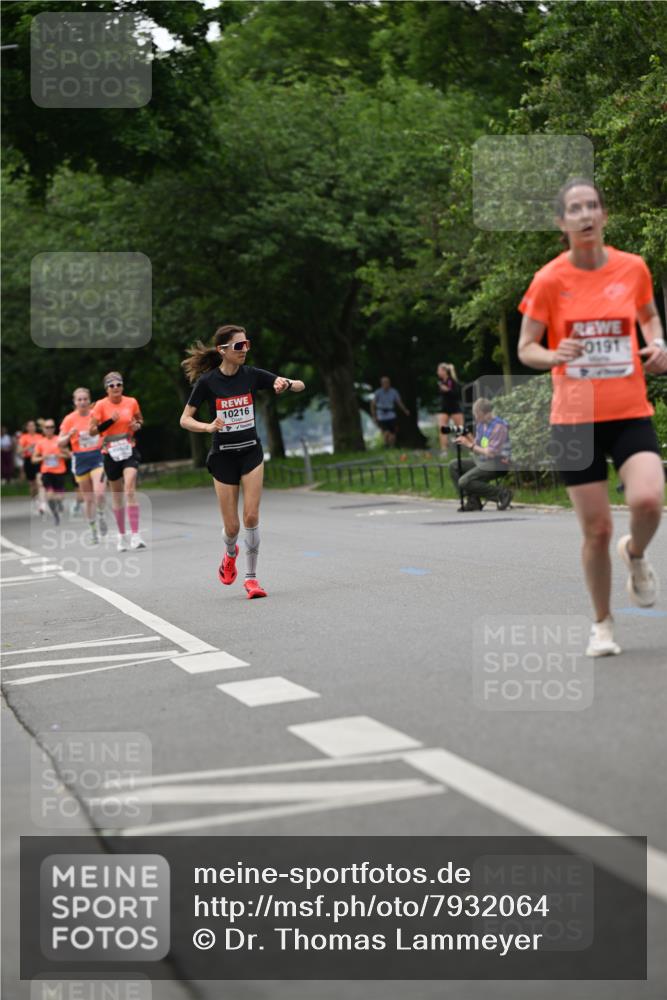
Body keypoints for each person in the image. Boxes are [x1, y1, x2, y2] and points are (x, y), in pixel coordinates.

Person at [518, 178, 667, 657]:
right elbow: (526, 349)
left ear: (604, 216)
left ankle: (636, 553)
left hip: (628, 410)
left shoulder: (633, 268)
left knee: (648, 500)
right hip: (574, 417)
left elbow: (648, 317)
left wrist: (658, 343)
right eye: (575, 209)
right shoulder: (548, 280)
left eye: (593, 206)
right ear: (562, 223)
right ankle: (602, 624)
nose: (585, 215)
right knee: (597, 529)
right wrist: (554, 353)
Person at [180, 324, 305, 599]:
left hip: (251, 453)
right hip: (223, 457)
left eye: (247, 344)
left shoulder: (251, 375)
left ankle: (251, 579)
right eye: (238, 346)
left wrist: (285, 383)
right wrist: (208, 427)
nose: (244, 350)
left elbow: (300, 384)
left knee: (251, 516)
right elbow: (184, 419)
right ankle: (229, 553)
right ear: (222, 351)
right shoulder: (208, 382)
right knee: (233, 527)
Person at [89, 372, 145, 551]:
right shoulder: (100, 406)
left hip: (128, 449)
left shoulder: (131, 402)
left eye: (119, 384)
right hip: (110, 452)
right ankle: (122, 536)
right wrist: (109, 421)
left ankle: (135, 535)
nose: (116, 388)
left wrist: (137, 425)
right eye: (111, 385)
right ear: (106, 388)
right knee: (117, 496)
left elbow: (139, 420)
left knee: (129, 489)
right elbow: (92, 431)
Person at [59, 387, 107, 543]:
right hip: (80, 459)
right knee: (88, 499)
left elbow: (107, 431)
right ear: (74, 402)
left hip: (96, 456)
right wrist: (68, 435)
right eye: (79, 399)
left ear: (89, 400)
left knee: (99, 493)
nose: (82, 402)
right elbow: (59, 442)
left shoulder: (96, 415)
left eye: (85, 399)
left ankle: (100, 515)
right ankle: (93, 529)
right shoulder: (69, 419)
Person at [448, 398, 512, 510]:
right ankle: (473, 501)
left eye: (477, 414)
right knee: (453, 465)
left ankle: (501, 493)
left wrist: (470, 445)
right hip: (483, 460)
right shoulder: (481, 425)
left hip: (498, 463)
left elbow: (491, 453)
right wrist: (465, 438)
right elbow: (477, 445)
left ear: (485, 413)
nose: (475, 417)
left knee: (464, 481)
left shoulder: (499, 427)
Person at [31, 419, 67, 524]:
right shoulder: (40, 442)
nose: (50, 429)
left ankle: (59, 503)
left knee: (60, 497)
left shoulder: (60, 440)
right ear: (44, 429)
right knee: (50, 495)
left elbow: (69, 455)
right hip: (47, 472)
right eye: (47, 427)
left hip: (59, 472)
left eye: (52, 427)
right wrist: (43, 457)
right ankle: (55, 514)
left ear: (54, 429)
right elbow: (33, 459)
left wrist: (60, 455)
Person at [371, 376, 410, 448]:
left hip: (391, 415)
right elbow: (373, 404)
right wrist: (374, 416)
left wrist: (405, 410)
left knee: (393, 432)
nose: (386, 384)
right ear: (381, 383)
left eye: (387, 382)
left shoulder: (394, 392)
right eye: (384, 382)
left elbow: (399, 402)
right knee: (386, 432)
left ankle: (392, 446)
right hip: (381, 415)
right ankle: (386, 444)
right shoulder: (378, 392)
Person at [436, 362, 464, 454]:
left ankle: (471, 447)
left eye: (439, 370)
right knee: (442, 429)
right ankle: (444, 450)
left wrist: (447, 390)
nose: (437, 372)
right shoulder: (442, 382)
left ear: (444, 371)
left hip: (454, 408)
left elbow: (456, 394)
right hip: (444, 408)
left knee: (461, 429)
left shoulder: (451, 381)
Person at [18, 420, 44, 512]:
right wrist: (29, 447)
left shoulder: (39, 436)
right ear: (27, 428)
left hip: (37, 460)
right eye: (30, 426)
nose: (32, 427)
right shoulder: (23, 437)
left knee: (39, 481)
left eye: (33, 425)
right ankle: (34, 499)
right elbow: (19, 451)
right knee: (32, 484)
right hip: (28, 460)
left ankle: (40, 502)